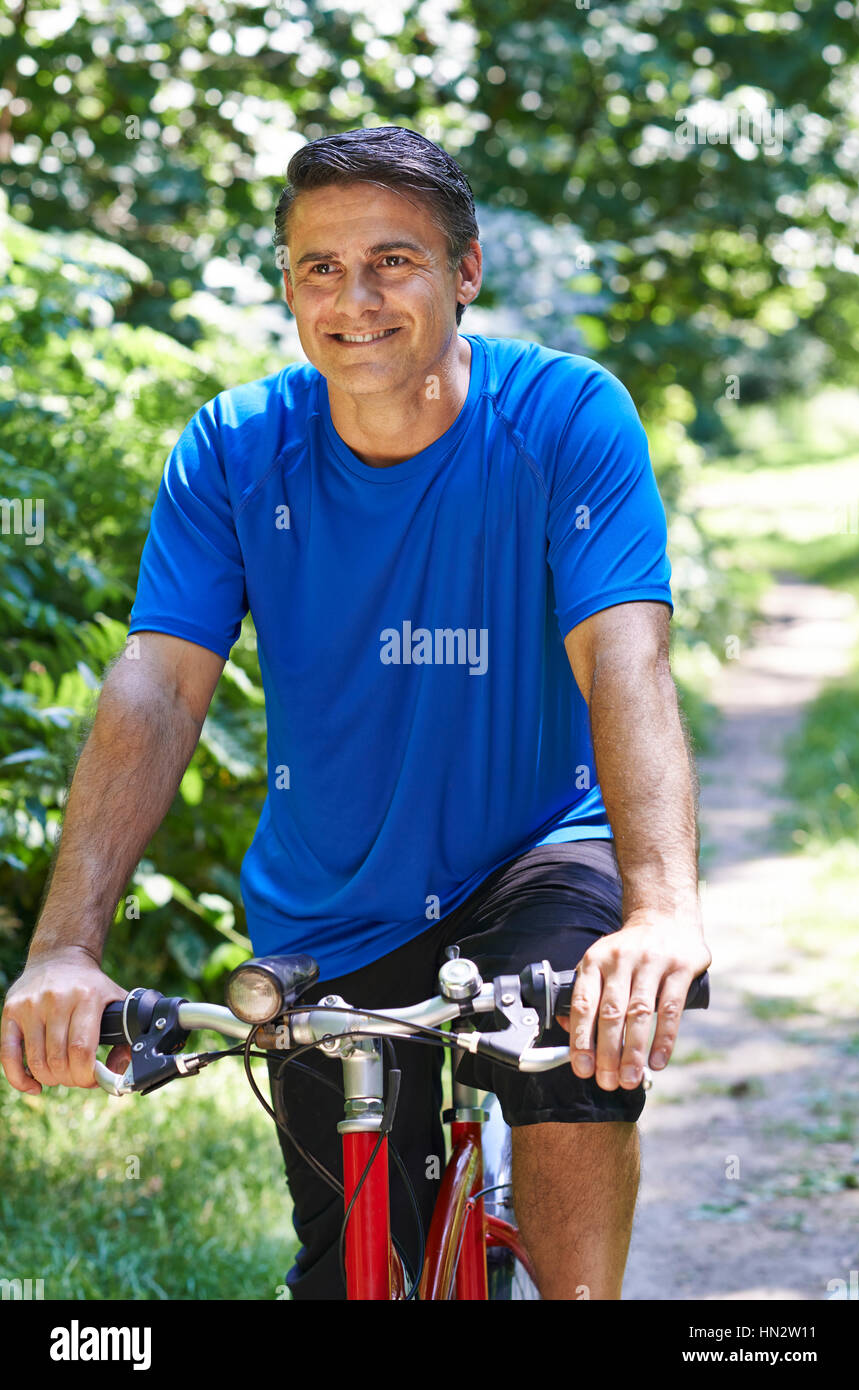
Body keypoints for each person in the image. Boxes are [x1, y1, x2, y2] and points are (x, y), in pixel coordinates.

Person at [0, 126, 711, 1300]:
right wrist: (65, 946)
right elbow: (160, 686)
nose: (355, 298)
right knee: (352, 1275)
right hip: (330, 899)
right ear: (287, 284)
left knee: (572, 1064)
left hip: (538, 845)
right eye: (320, 267)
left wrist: (663, 912)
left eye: (394, 260)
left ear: (465, 270)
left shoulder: (568, 418)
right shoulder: (234, 449)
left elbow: (626, 661)